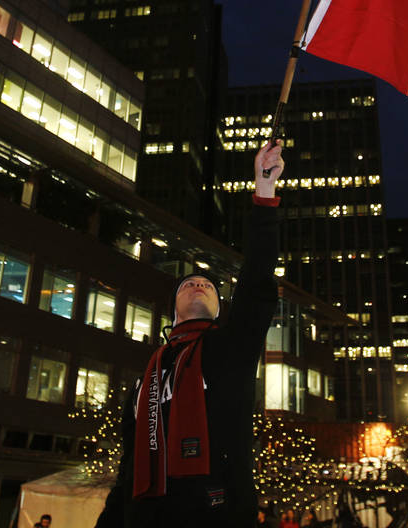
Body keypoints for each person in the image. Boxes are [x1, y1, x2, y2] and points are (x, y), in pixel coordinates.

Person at [95, 141, 284, 527]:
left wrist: (264, 194)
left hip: (217, 513)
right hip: (145, 517)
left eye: (208, 286)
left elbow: (257, 285)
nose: (198, 284)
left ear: (219, 309)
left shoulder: (232, 348)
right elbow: (128, 469)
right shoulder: (145, 378)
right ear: (172, 311)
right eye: (187, 284)